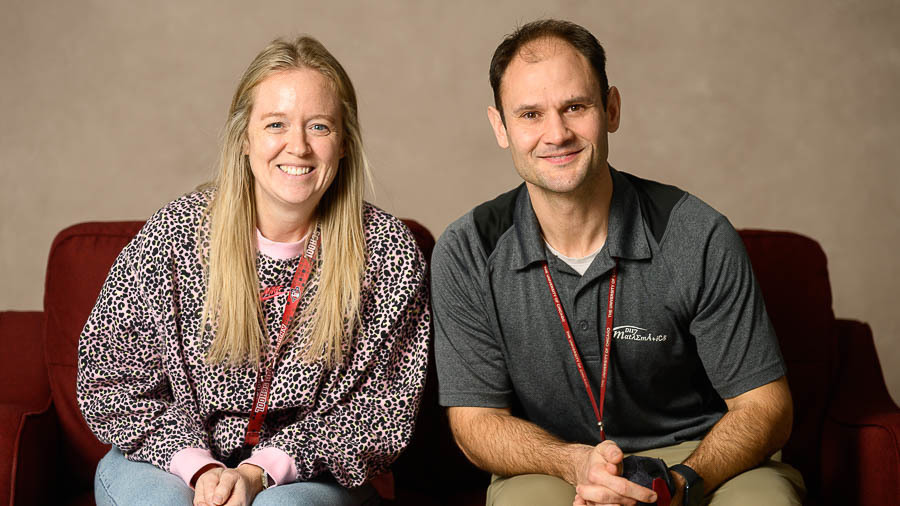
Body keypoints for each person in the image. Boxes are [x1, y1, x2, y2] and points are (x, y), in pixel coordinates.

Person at [431, 19, 805, 506]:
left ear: (611, 109)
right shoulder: (468, 250)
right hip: (553, 465)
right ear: (501, 127)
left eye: (575, 107)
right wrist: (573, 463)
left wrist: (682, 483)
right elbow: (474, 423)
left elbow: (765, 407)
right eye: (529, 114)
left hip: (700, 458)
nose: (556, 133)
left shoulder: (697, 233)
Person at [77, 35, 430, 506]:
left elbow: (383, 412)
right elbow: (108, 376)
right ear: (245, 138)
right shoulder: (178, 232)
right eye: (275, 124)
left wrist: (260, 471)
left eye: (320, 126)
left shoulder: (387, 252)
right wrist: (200, 468)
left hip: (312, 476)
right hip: (170, 460)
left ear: (343, 142)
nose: (298, 146)